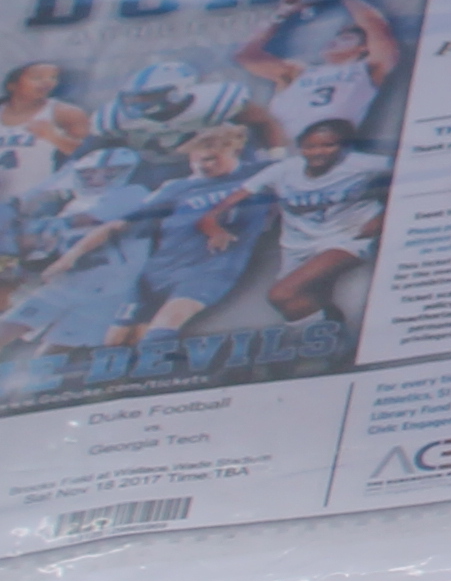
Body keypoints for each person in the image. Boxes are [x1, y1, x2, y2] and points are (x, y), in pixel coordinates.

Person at [100, 124, 277, 344]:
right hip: (161, 270)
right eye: (198, 159)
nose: (205, 165)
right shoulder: (176, 188)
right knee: (118, 341)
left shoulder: (262, 174)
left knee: (160, 331)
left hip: (211, 268)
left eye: (212, 158)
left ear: (235, 151)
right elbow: (126, 223)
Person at [0, 146, 156, 360]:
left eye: (109, 173)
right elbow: (46, 243)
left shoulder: (133, 192)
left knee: (53, 353)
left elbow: (92, 221)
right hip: (69, 282)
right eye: (89, 173)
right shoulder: (75, 204)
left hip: (109, 286)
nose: (97, 179)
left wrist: (30, 226)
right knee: (10, 326)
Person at [243, 118, 392, 332]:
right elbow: (236, 197)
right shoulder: (286, 170)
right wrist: (214, 223)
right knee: (306, 301)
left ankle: (333, 338)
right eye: (310, 146)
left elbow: (419, 172)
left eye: (328, 145)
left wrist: (384, 216)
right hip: (301, 244)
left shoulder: (363, 164)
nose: (318, 152)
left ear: (343, 146)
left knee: (282, 294)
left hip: (349, 236)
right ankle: (335, 337)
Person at [240, 0, 399, 147]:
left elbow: (377, 28)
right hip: (284, 148)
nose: (334, 41)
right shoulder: (298, 71)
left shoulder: (368, 68)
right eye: (336, 37)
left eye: (345, 38)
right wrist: (282, 13)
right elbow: (246, 56)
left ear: (363, 48)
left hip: (328, 149)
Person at [104, 55, 276, 172]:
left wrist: (275, 153)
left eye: (148, 98)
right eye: (135, 99)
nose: (140, 105)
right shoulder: (119, 119)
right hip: (165, 173)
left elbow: (262, 121)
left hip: (230, 169)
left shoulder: (215, 102)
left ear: (177, 92)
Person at [0, 61, 92, 202]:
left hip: (39, 201)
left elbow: (91, 156)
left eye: (52, 78)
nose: (46, 82)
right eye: (37, 77)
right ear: (12, 85)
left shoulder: (65, 113)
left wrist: (54, 137)